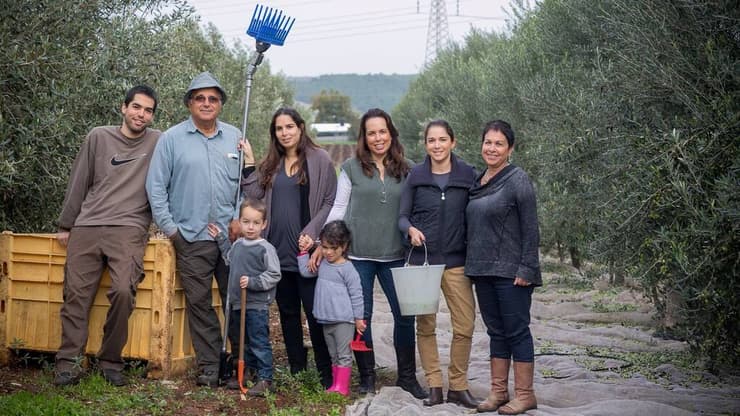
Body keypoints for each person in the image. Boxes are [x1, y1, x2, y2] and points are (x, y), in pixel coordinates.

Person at [311, 108, 427, 398]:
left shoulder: (408, 168)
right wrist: (319, 241)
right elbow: (339, 207)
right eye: (371, 132)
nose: (378, 138)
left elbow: (416, 209)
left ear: (391, 134)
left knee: (404, 316)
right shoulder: (351, 167)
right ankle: (366, 378)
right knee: (361, 317)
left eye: (383, 131)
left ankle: (408, 378)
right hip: (360, 256)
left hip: (397, 255)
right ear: (364, 137)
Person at [54, 85, 160, 387]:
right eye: (137, 107)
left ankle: (110, 361)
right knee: (75, 295)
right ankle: (68, 363)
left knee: (124, 290)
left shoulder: (158, 142)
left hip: (129, 227)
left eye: (148, 110)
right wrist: (66, 224)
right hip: (87, 225)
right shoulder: (98, 136)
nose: (141, 114)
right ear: (123, 108)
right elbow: (79, 180)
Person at [146, 71, 241, 387]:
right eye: (199, 98)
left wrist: (240, 222)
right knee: (200, 305)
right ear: (189, 103)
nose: (206, 103)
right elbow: (156, 187)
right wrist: (173, 231)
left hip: (231, 239)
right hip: (191, 238)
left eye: (213, 98)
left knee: (237, 302)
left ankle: (243, 364)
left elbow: (245, 185)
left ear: (220, 105)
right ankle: (211, 366)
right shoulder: (171, 139)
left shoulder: (234, 137)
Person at [240, 108, 337, 388]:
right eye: (279, 128)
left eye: (290, 126)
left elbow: (329, 201)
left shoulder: (319, 159)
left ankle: (324, 372)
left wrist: (313, 233)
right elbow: (254, 196)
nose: (285, 133)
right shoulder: (272, 163)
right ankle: (297, 368)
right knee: (288, 312)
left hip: (307, 252)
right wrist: (249, 163)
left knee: (316, 313)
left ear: (301, 128)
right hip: (278, 251)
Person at [397, 120, 479, 408]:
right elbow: (402, 216)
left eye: (442, 139)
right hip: (423, 263)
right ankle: (434, 385)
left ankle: (458, 385)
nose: (437, 145)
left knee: (465, 326)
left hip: (457, 262)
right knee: (426, 326)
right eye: (431, 140)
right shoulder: (416, 175)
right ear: (426, 144)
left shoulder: (468, 175)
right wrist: (410, 230)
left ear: (453, 142)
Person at [465, 120, 541, 414]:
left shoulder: (517, 179)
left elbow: (531, 228)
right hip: (482, 270)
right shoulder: (479, 180)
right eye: (488, 142)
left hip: (511, 272)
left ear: (510, 148)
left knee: (517, 331)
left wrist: (527, 268)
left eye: (499, 143)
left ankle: (525, 394)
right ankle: (499, 392)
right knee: (496, 333)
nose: (492, 148)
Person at [208, 198, 281, 397]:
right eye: (246, 222)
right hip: (238, 303)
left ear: (264, 224)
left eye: (256, 223)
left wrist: (253, 282)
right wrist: (221, 239)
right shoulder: (239, 245)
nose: (250, 227)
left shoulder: (265, 248)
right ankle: (247, 373)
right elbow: (229, 258)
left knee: (258, 341)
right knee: (244, 341)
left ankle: (265, 378)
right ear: (239, 222)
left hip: (256, 305)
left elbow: (274, 274)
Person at [297, 220, 365, 397]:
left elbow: (357, 294)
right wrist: (304, 253)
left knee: (343, 355)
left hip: (344, 320)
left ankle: (342, 388)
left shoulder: (347, 269)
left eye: (333, 248)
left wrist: (359, 318)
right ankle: (335, 385)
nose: (327, 252)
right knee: (333, 354)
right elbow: (306, 272)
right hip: (326, 319)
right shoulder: (324, 263)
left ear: (344, 246)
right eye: (325, 247)